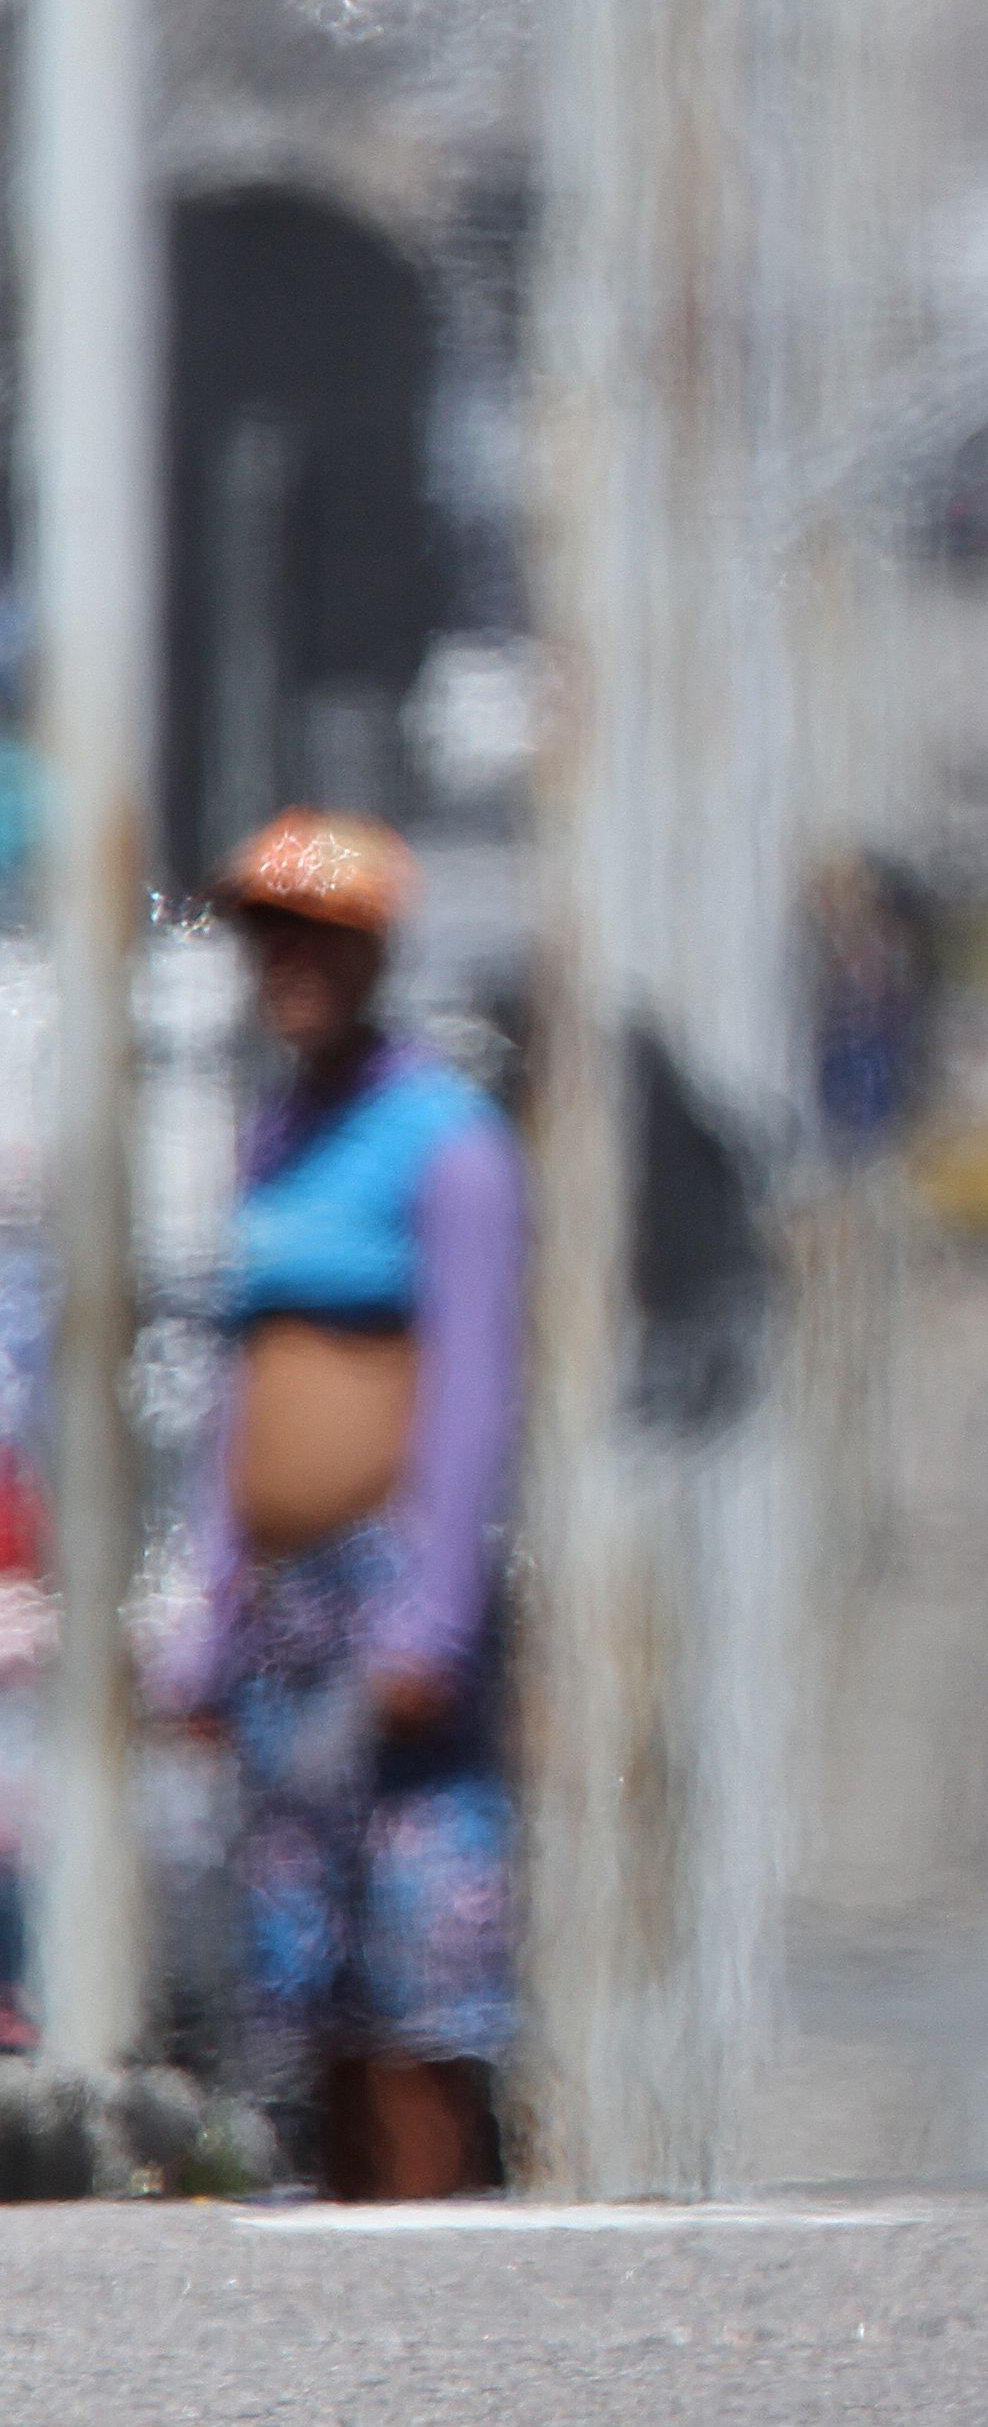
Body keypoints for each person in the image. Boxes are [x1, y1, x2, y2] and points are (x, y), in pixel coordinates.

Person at [154, 812, 526, 2200]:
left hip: (389, 1594)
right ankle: (341, 2243)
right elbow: (237, 1394)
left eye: (317, 939)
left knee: (420, 1967)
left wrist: (436, 1612)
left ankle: (435, 2235)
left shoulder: (449, 1141)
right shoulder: (270, 1139)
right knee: (299, 1960)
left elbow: (473, 1386)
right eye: (269, 939)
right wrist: (207, 1613)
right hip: (285, 1607)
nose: (288, 967)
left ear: (371, 953)